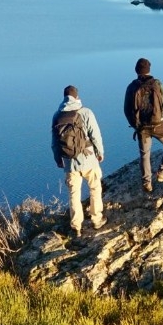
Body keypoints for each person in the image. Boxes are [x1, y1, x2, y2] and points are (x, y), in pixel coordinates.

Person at [52, 84, 106, 236]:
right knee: (95, 188)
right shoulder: (86, 112)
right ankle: (96, 219)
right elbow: (95, 134)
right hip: (89, 159)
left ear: (64, 97)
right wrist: (100, 152)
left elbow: (55, 142)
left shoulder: (57, 116)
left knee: (74, 194)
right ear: (77, 97)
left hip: (69, 162)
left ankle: (76, 226)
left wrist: (58, 159)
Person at [124, 57, 163, 192]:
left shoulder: (131, 87)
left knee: (145, 154)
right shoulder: (157, 84)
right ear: (149, 70)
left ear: (136, 70)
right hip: (158, 124)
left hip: (142, 128)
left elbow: (127, 110)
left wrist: (135, 125)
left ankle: (147, 183)